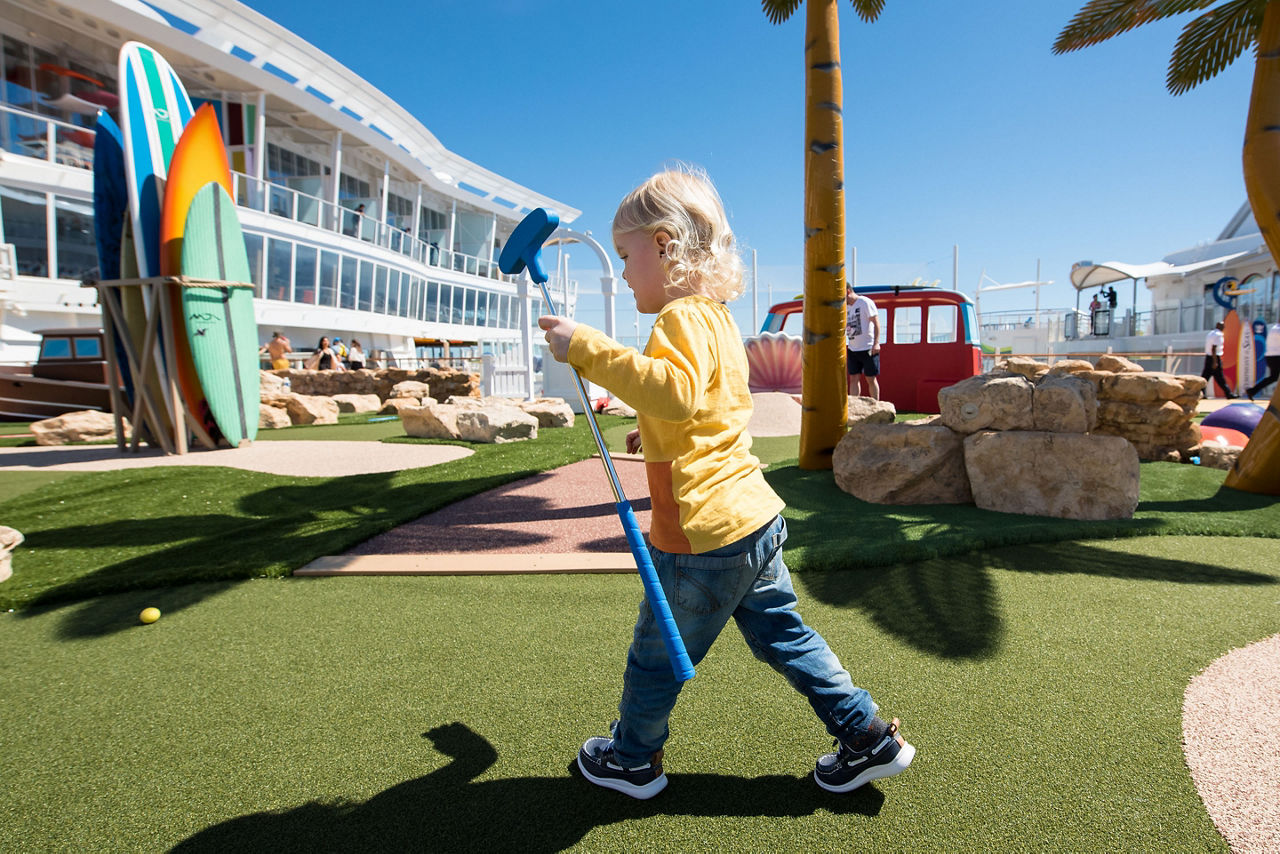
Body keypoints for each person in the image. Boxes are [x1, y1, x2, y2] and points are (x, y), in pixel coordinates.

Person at [538, 167, 914, 801]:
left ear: (663, 246)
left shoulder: (678, 320)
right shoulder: (716, 320)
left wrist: (590, 349)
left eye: (628, 256)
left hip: (702, 535)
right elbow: (709, 409)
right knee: (787, 637)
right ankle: (868, 736)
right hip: (753, 519)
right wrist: (649, 429)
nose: (625, 273)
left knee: (655, 658)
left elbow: (676, 391)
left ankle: (632, 760)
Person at [845, 284, 881, 399]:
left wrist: (876, 343)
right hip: (852, 348)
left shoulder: (865, 302)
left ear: (847, 291)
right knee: (853, 378)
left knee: (870, 378)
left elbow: (876, 323)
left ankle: (876, 406)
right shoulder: (845, 308)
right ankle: (854, 405)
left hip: (868, 347)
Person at [1246, 317, 1280, 401]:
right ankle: (1252, 391)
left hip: (1270, 356)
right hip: (1276, 357)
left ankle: (1252, 391)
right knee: (1273, 377)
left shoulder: (1274, 328)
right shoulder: (1278, 329)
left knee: (1273, 377)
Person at [1202, 321, 1237, 399]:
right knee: (1219, 378)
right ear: (1220, 326)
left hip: (1209, 357)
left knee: (1206, 377)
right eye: (1223, 326)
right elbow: (1214, 348)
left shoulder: (1211, 333)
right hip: (1214, 357)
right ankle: (1228, 394)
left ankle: (1201, 392)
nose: (1224, 328)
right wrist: (1215, 362)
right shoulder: (1218, 335)